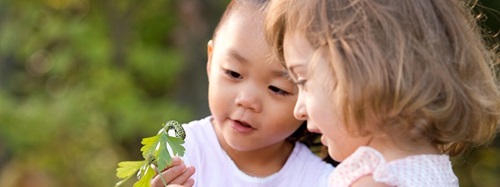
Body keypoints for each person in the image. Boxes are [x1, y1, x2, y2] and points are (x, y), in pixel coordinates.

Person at [265, 0, 500, 186]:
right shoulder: (433, 172)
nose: (298, 110)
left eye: (304, 81)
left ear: (362, 74)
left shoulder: (374, 181)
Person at [151, 0, 334, 186]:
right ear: (211, 60)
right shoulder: (181, 151)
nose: (247, 100)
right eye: (234, 73)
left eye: (277, 89)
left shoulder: (322, 180)